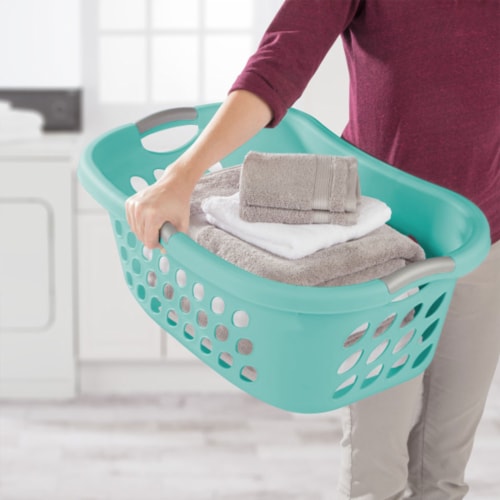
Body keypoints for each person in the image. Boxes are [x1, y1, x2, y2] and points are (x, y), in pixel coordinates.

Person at [126, 1, 500, 498]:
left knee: (445, 472)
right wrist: (181, 175)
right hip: (387, 248)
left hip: (485, 237)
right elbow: (279, 63)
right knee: (379, 472)